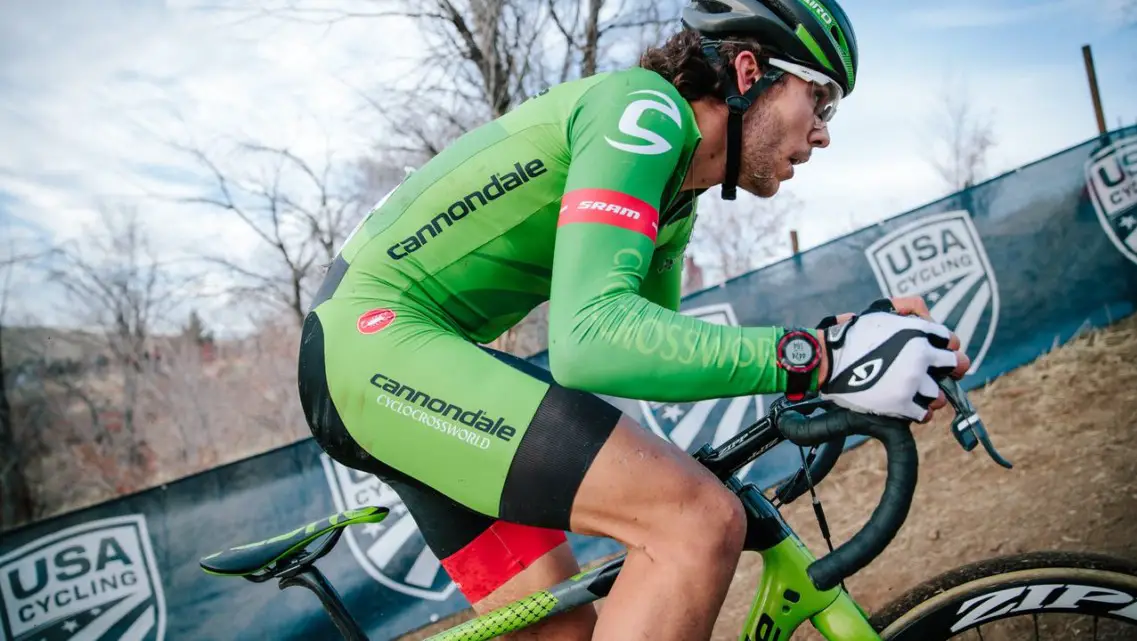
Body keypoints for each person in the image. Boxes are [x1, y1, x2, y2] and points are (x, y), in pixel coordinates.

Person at [298, 0, 969, 638]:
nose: (824, 132)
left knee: (556, 631)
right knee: (697, 520)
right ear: (748, 72)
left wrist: (838, 344)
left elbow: (646, 351)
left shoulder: (679, 191)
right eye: (818, 99)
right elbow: (588, 342)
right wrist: (815, 353)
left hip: (394, 359)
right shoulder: (644, 112)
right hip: (370, 345)